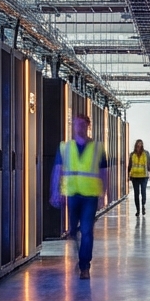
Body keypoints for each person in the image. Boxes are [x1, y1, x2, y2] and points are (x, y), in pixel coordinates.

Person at [50, 115, 110, 280]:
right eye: (77, 124)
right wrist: (56, 191)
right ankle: (81, 257)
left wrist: (103, 195)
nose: (79, 127)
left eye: (83, 124)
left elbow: (104, 173)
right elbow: (58, 169)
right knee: (73, 231)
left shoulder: (98, 148)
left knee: (86, 230)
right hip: (72, 194)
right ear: (73, 126)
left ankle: (85, 265)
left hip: (90, 195)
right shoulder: (65, 147)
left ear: (88, 126)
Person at [128, 139, 150, 217]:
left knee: (143, 192)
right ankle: (138, 210)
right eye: (138, 144)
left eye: (141, 144)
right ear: (136, 145)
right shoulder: (132, 154)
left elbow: (149, 164)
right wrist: (128, 175)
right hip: (134, 177)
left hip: (144, 176)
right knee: (136, 194)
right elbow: (130, 165)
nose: (139, 145)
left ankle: (143, 206)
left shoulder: (146, 153)